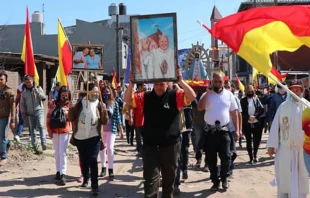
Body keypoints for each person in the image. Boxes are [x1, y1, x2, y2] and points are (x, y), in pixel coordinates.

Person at [124, 68, 196, 198]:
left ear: (167, 83)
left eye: (162, 84)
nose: (158, 87)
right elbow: (128, 100)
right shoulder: (145, 96)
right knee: (150, 182)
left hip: (170, 147)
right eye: (156, 84)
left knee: (169, 183)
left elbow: (192, 96)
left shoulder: (175, 95)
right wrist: (132, 84)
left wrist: (181, 82)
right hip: (150, 147)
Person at [267, 80, 310, 198]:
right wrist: (272, 145)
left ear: (302, 90)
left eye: (297, 89)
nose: (295, 91)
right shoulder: (283, 106)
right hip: (286, 150)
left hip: (302, 151)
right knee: (285, 177)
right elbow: (276, 126)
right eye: (293, 89)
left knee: (301, 179)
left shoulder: (308, 107)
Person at [197, 72, 239, 191]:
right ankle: (215, 181)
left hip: (224, 131)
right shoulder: (206, 94)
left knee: (226, 157)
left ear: (223, 82)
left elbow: (234, 112)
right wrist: (207, 93)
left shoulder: (229, 95)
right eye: (215, 81)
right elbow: (200, 108)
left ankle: (224, 178)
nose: (217, 83)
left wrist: (237, 130)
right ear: (212, 82)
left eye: (220, 81)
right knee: (210, 159)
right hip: (210, 132)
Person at [68, 83, 108, 195]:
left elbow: (104, 121)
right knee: (84, 159)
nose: (95, 94)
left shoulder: (99, 105)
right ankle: (86, 178)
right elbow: (71, 118)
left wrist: (104, 111)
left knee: (93, 160)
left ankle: (94, 185)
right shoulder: (80, 104)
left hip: (94, 137)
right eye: (93, 92)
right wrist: (71, 108)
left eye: (97, 92)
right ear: (87, 92)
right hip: (80, 137)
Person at [46, 86, 71, 185]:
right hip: (54, 130)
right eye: (62, 95)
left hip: (64, 131)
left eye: (66, 95)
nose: (64, 97)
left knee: (62, 152)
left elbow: (72, 118)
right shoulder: (53, 103)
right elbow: (48, 116)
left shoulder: (69, 105)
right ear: (59, 94)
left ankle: (63, 173)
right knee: (56, 152)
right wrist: (49, 130)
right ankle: (58, 170)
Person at [99, 86, 124, 178]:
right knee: (102, 149)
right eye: (105, 91)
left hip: (111, 129)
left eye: (108, 91)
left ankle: (111, 169)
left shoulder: (115, 104)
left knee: (110, 148)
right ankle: (103, 168)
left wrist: (121, 131)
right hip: (102, 130)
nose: (106, 93)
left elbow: (118, 118)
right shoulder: (100, 103)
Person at [20, 75, 47, 152]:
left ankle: (43, 142)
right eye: (27, 82)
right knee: (32, 130)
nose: (29, 83)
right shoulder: (24, 92)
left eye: (30, 81)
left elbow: (43, 97)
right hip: (30, 113)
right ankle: (35, 146)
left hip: (39, 111)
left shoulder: (38, 88)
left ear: (33, 81)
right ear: (25, 83)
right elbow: (22, 103)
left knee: (41, 126)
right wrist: (23, 112)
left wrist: (37, 92)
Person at [224, 80, 242, 175]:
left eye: (228, 86)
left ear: (231, 88)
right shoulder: (220, 97)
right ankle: (228, 168)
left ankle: (230, 164)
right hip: (222, 129)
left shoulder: (235, 99)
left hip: (232, 128)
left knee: (233, 151)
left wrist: (239, 129)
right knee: (226, 151)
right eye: (225, 86)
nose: (227, 87)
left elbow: (238, 115)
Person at [0, 72, 15, 165]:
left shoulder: (9, 91)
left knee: (2, 137)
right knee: (1, 137)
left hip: (5, 117)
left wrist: (12, 120)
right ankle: (8, 143)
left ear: (6, 80)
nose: (0, 81)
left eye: (2, 79)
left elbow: (13, 107)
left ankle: (3, 156)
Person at [132, 83, 146, 157]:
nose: (145, 87)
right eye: (143, 85)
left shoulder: (146, 95)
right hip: (137, 118)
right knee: (138, 135)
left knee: (145, 135)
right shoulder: (134, 95)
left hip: (145, 118)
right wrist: (131, 117)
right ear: (139, 87)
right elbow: (131, 106)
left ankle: (145, 149)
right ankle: (139, 149)